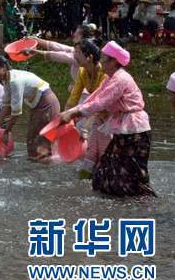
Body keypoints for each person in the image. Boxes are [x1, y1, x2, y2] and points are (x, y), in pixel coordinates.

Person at [59, 42, 156, 197]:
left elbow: (101, 103)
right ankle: (114, 204)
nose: (101, 61)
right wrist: (73, 112)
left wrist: (74, 113)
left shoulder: (121, 79)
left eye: (104, 59)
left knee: (135, 174)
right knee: (105, 169)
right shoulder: (109, 79)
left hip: (136, 131)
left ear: (114, 62)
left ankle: (146, 206)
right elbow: (94, 97)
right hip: (123, 131)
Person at [0, 52, 60, 162]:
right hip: (38, 106)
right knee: (33, 140)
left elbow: (16, 112)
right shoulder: (6, 80)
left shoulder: (15, 81)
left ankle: (44, 170)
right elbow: (6, 104)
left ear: (3, 67)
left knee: (39, 141)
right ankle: (37, 167)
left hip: (47, 104)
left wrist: (6, 132)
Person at [65, 39, 109, 178]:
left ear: (89, 57)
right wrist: (65, 118)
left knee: (103, 153)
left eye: (77, 52)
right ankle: (90, 184)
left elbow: (99, 103)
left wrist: (85, 127)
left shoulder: (104, 74)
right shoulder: (83, 71)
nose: (74, 56)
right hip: (97, 115)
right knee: (90, 155)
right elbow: (73, 98)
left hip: (112, 117)